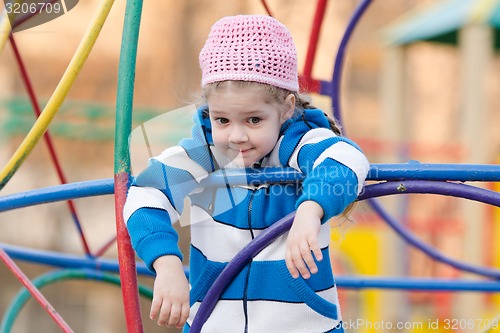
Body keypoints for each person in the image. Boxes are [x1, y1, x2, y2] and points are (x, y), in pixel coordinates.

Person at [124, 14, 370, 332]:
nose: (236, 136)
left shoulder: (300, 144)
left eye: (254, 120)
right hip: (213, 322)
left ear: (285, 109)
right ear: (208, 112)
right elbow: (145, 194)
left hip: (303, 324)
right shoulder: (204, 154)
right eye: (222, 120)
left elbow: (346, 158)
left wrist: (310, 209)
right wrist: (166, 263)